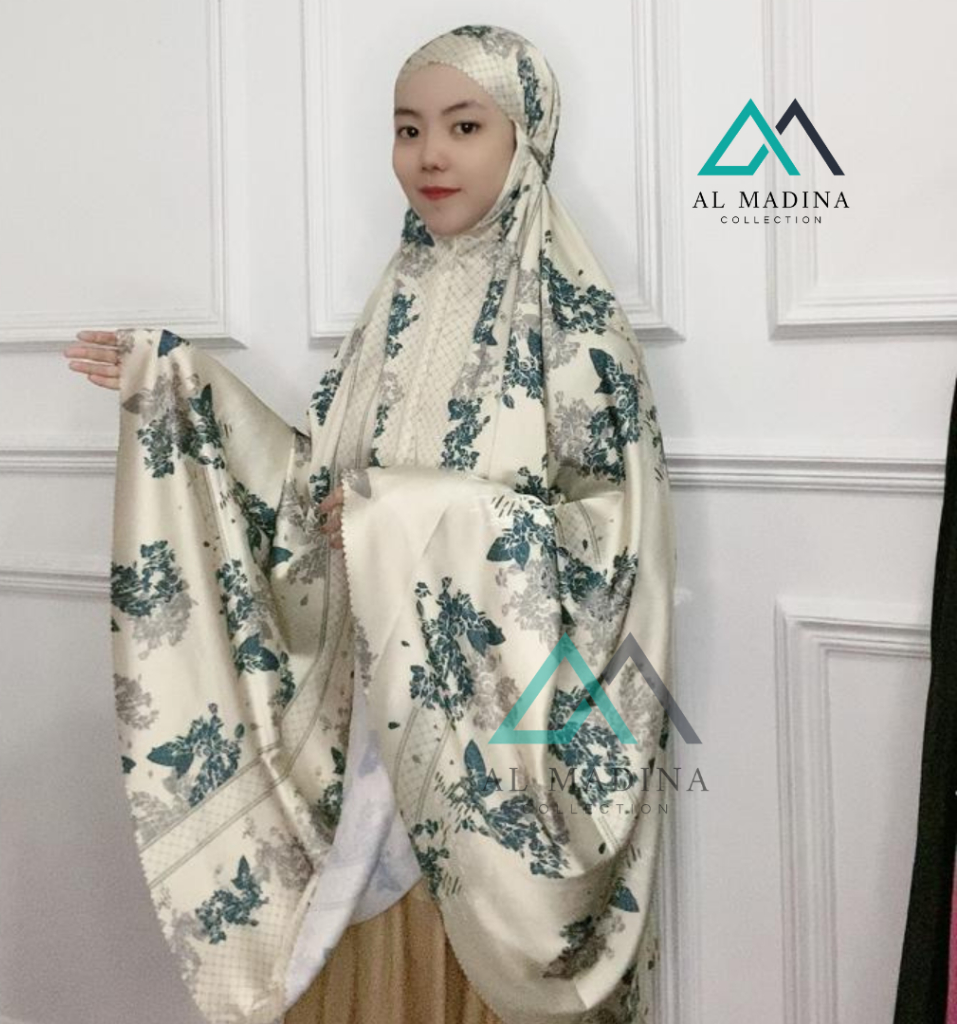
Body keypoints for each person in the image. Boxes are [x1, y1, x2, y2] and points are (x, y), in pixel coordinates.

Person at [65, 24, 677, 1024]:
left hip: (496, 767)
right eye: (407, 128)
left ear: (525, 137)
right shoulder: (391, 309)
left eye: (464, 126)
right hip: (369, 749)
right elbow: (317, 497)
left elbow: (611, 552)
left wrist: (403, 513)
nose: (429, 155)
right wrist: (187, 386)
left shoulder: (578, 325)